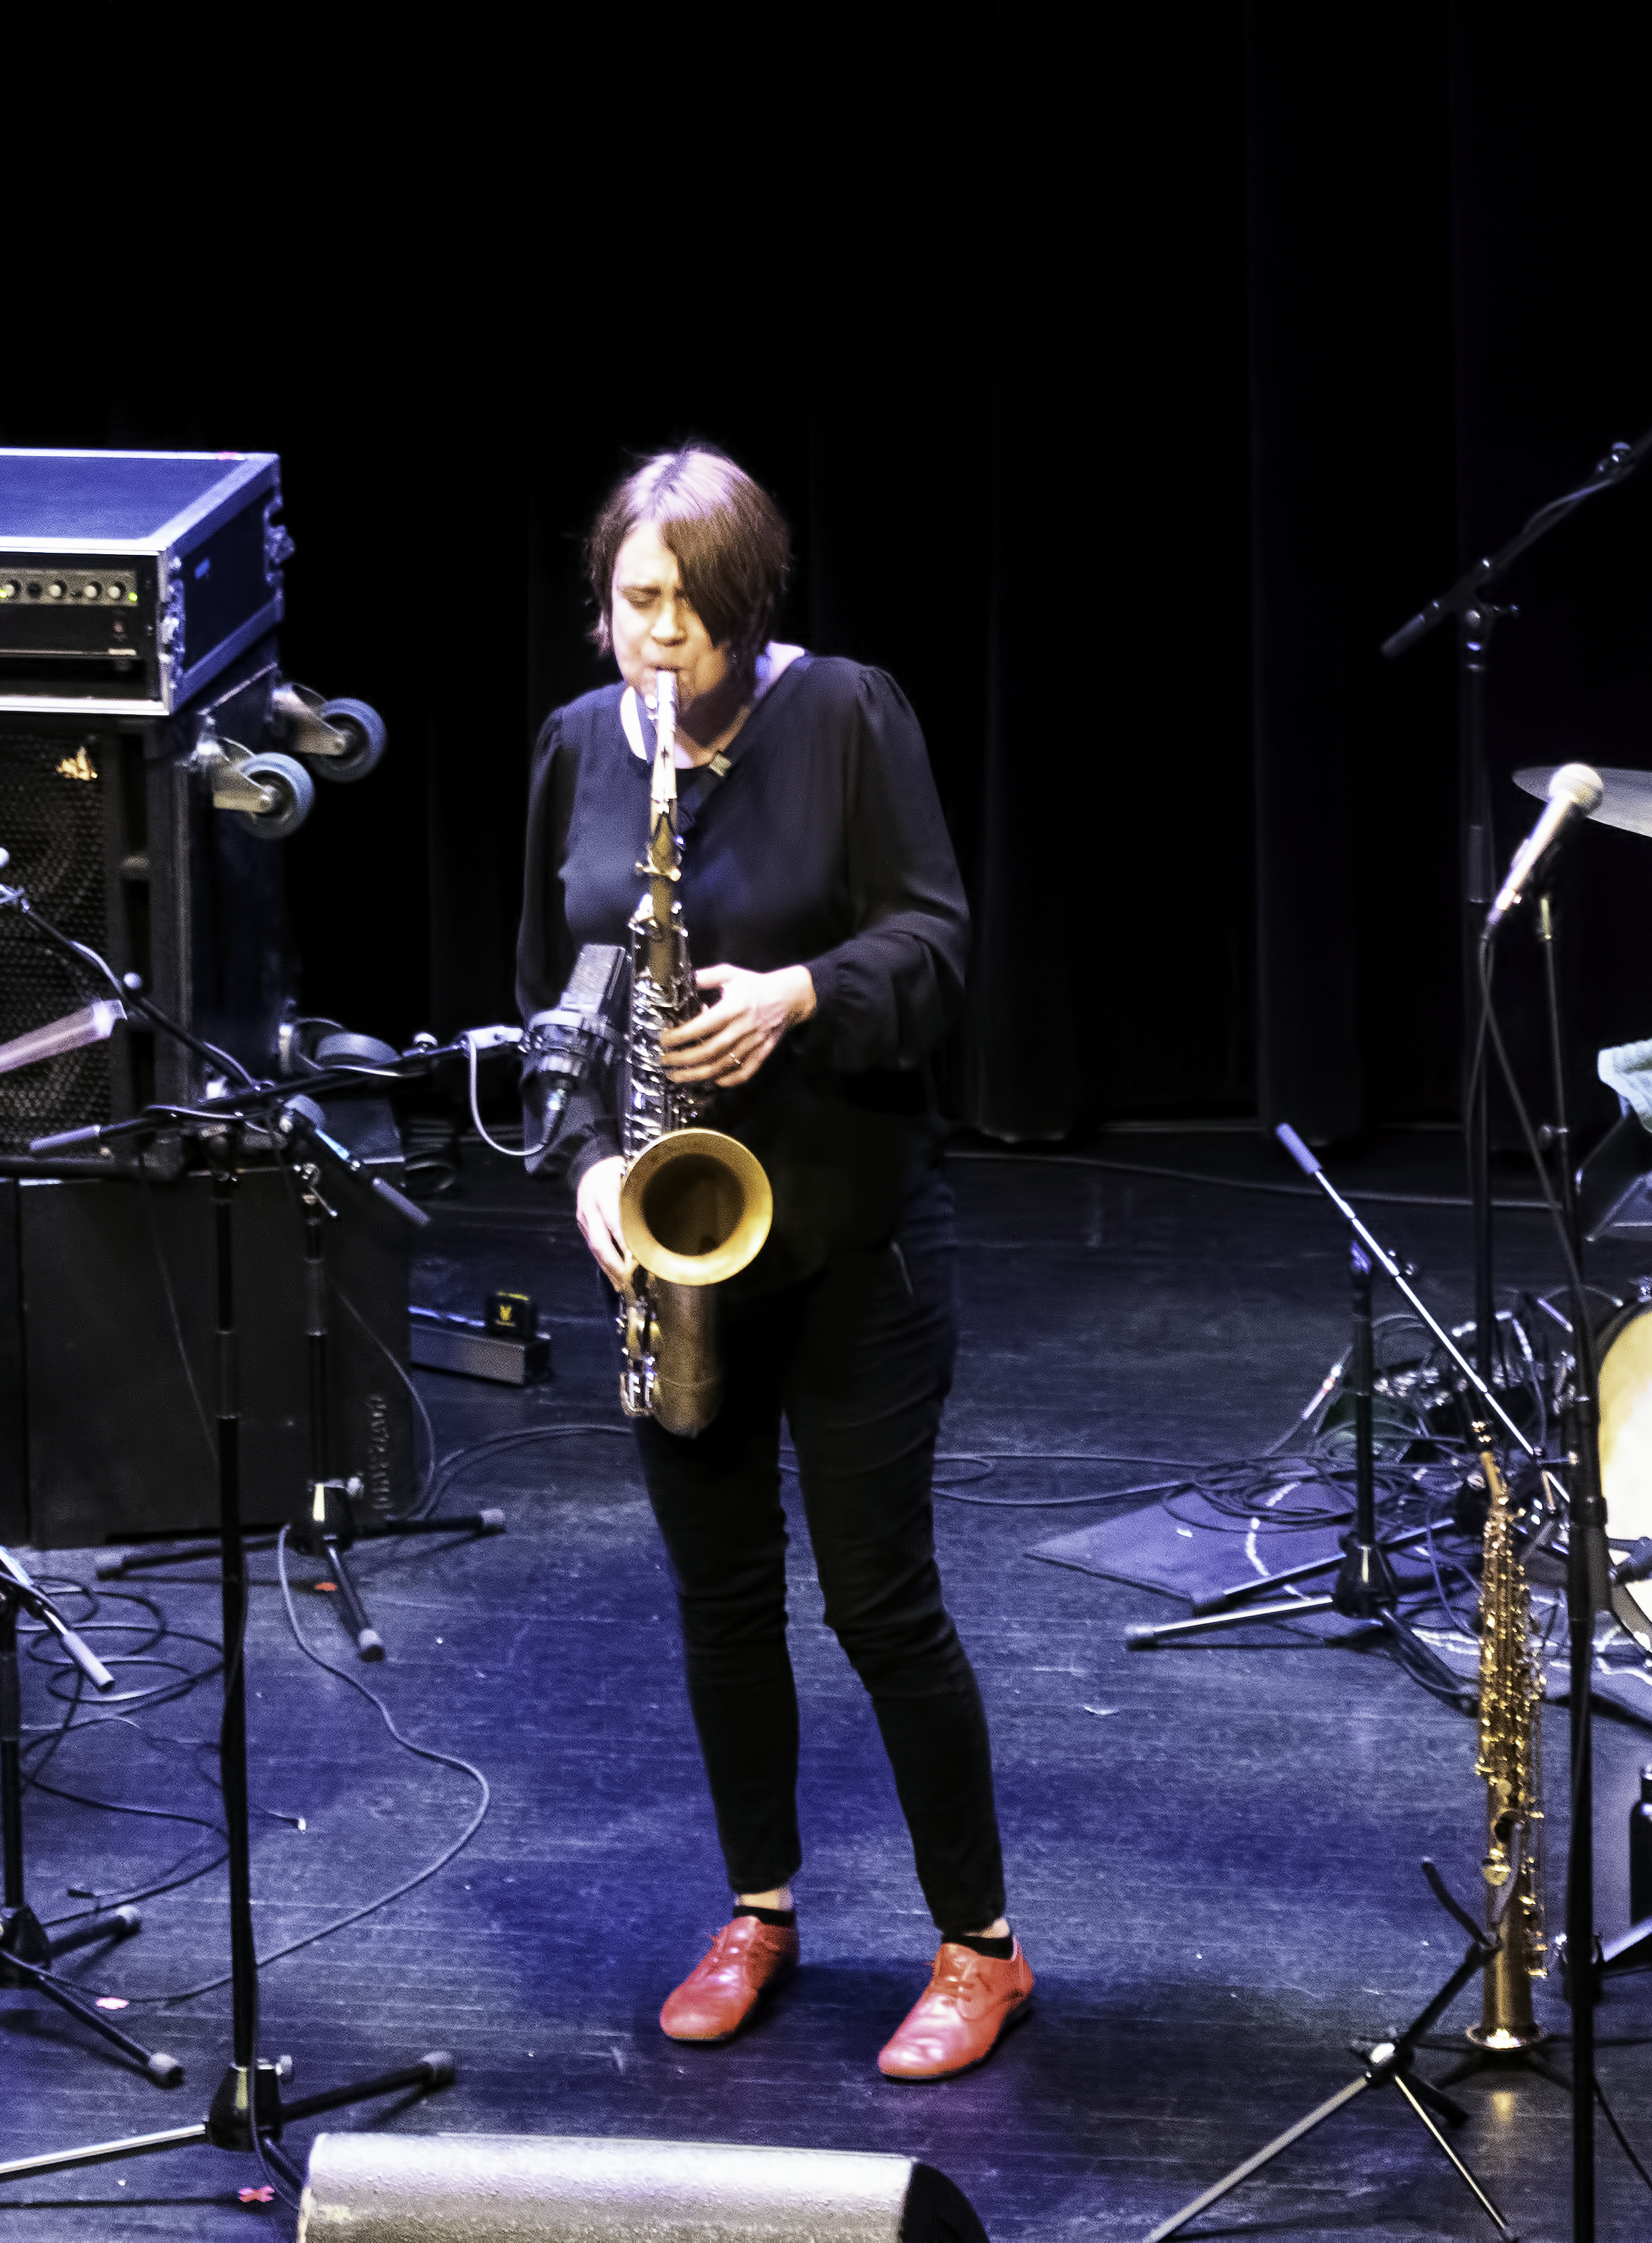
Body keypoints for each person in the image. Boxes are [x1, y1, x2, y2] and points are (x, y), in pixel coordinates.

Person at [515, 447, 1025, 2081]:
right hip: (677, 1257)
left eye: (682, 609)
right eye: (629, 603)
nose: (651, 639)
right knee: (720, 1607)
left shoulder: (847, 714)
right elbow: (553, 1005)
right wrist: (593, 1158)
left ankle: (979, 1946)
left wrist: (797, 994)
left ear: (744, 610)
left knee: (884, 1604)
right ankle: (759, 1906)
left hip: (852, 1229)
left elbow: (937, 945)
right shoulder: (580, 748)